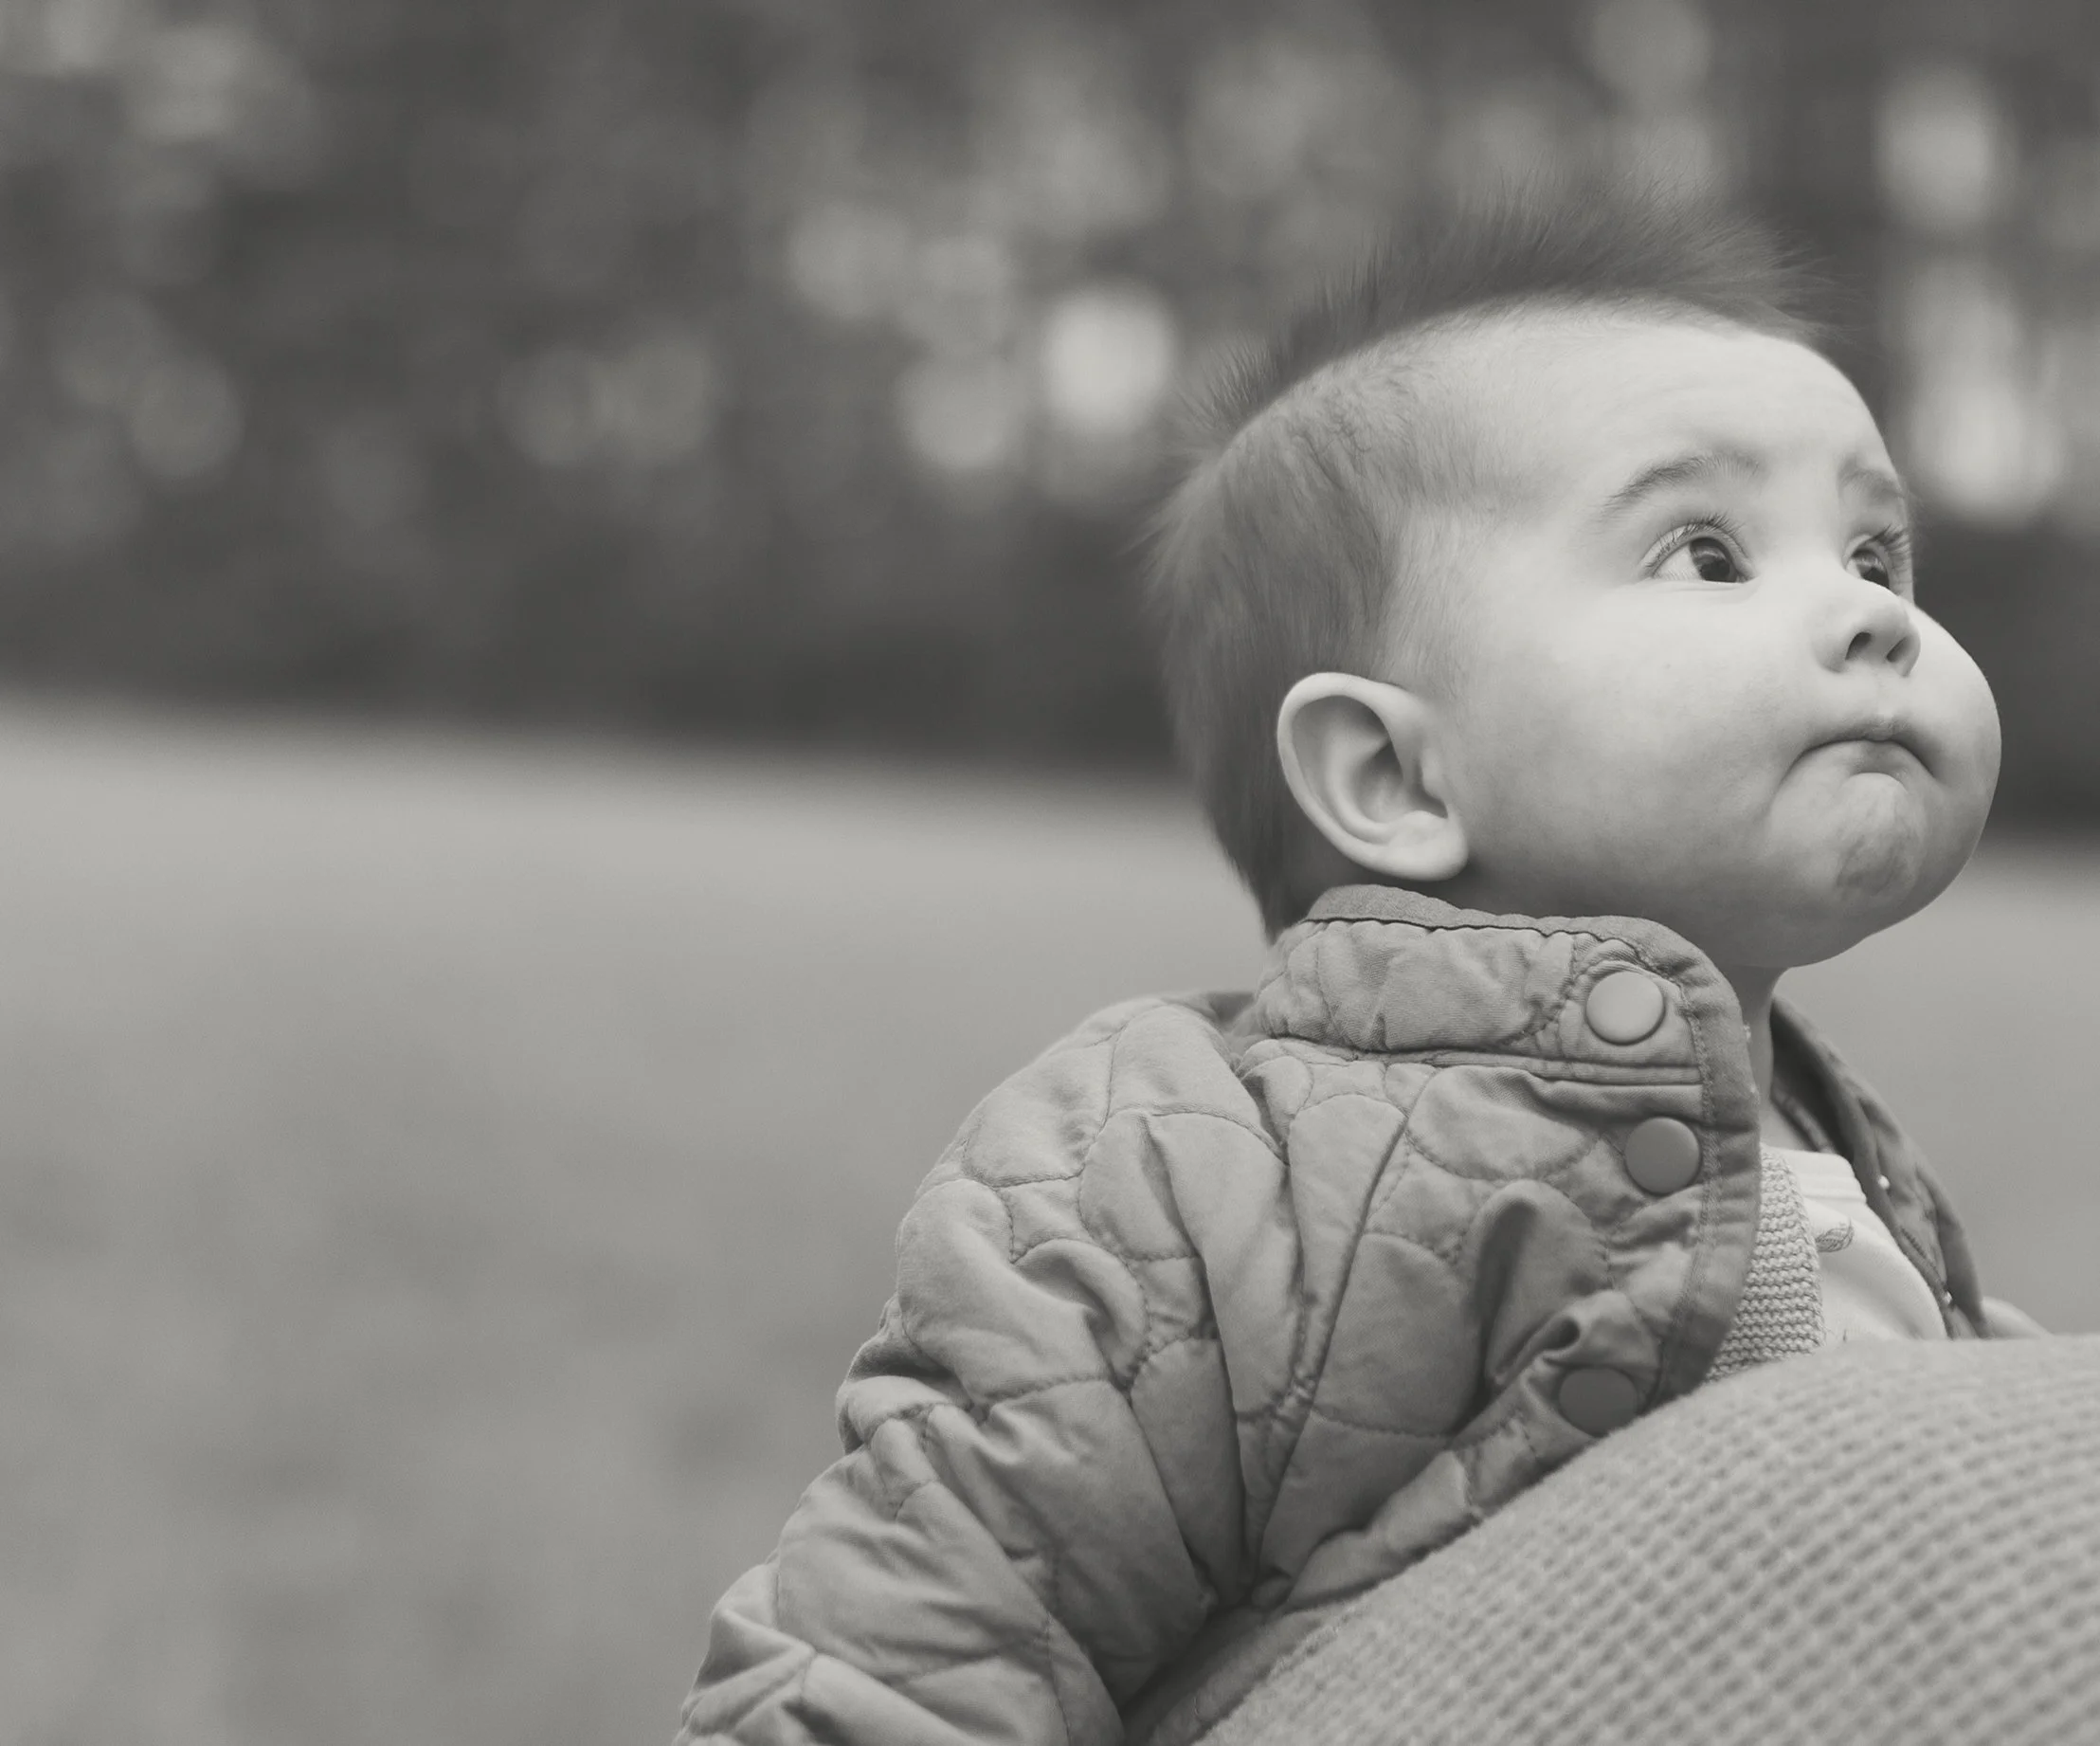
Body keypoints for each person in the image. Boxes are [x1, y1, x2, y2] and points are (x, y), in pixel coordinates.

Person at [673, 180, 2026, 1746]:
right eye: (1708, 551)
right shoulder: (1191, 1172)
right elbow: (921, 1628)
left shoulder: (1834, 1147)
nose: (1868, 616)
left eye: (1878, 550)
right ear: (1393, 779)